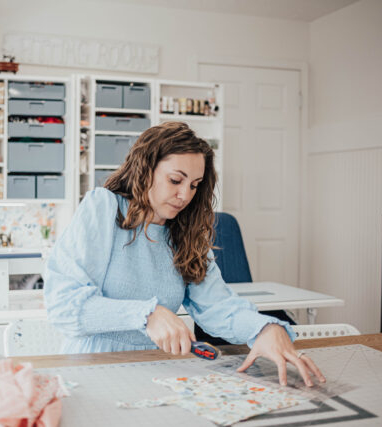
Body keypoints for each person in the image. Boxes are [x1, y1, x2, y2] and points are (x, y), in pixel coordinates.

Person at [44, 122, 325, 387]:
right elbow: (63, 306)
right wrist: (146, 314)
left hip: (159, 369)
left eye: (194, 185)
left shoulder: (187, 232)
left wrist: (264, 329)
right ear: (145, 169)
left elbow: (218, 307)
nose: (185, 195)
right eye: (175, 180)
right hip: (94, 368)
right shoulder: (103, 207)